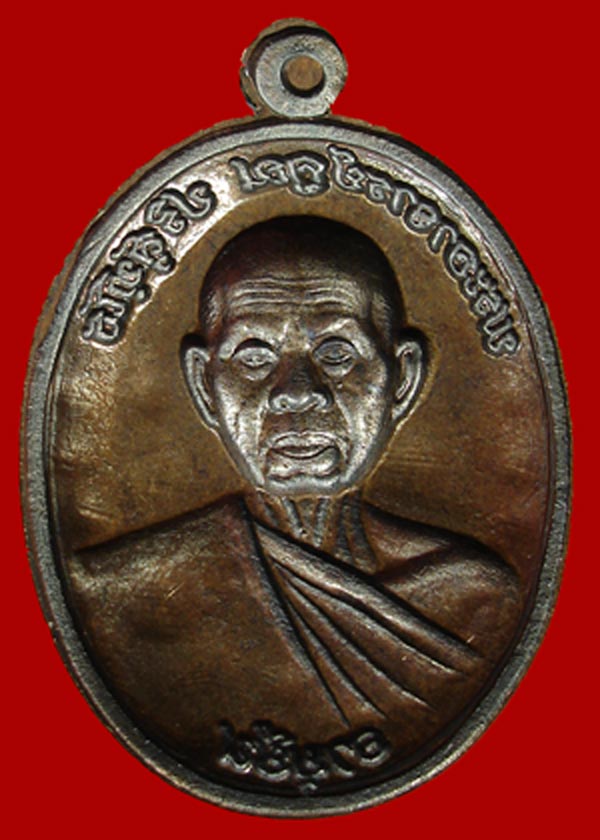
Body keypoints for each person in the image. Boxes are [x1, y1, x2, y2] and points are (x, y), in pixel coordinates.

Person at [67, 217, 522, 790]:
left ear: (402, 379)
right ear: (204, 386)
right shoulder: (122, 592)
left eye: (337, 353)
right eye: (254, 357)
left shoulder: (474, 600)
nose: (297, 392)